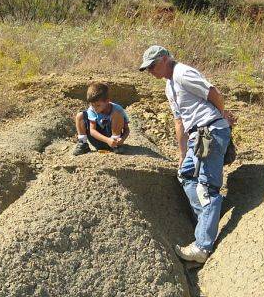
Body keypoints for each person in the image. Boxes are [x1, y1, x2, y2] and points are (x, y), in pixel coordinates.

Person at [139, 45, 236, 264]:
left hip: (208, 131)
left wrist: (221, 118)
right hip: (196, 137)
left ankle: (202, 247)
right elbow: (179, 121)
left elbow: (214, 94)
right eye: (148, 68)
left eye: (152, 66)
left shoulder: (183, 73)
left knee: (206, 187)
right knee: (185, 174)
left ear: (164, 59)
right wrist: (182, 153)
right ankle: (207, 220)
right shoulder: (169, 85)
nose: (151, 71)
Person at [73, 82, 130, 155]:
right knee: (80, 115)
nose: (94, 108)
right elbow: (92, 131)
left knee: (117, 114)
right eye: (92, 105)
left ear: (107, 101)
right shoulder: (92, 110)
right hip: (98, 140)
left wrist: (122, 140)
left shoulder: (117, 109)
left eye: (98, 105)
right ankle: (83, 144)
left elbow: (127, 129)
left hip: (114, 141)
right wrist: (107, 140)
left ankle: (117, 146)